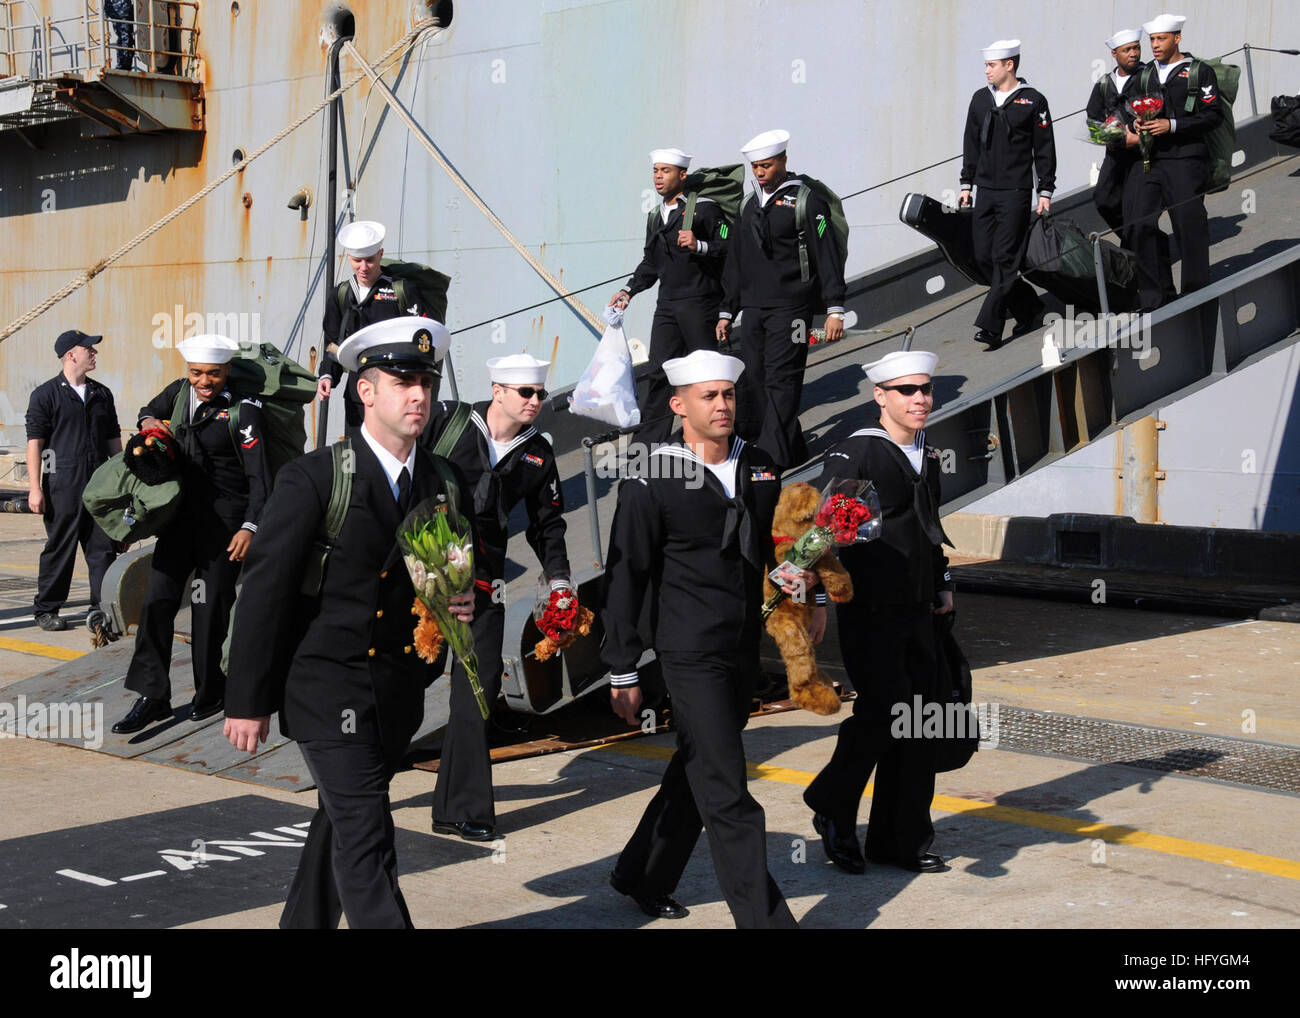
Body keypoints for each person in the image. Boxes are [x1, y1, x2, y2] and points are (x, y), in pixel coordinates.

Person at [224, 316, 476, 930]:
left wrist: (458, 605)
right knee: (367, 837)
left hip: (395, 693)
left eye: (426, 380)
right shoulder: (314, 479)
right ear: (366, 391)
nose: (419, 394)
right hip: (326, 688)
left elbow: (447, 576)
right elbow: (263, 593)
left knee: (340, 822)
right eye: (402, 380)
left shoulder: (442, 482)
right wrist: (246, 700)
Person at [602, 349, 806, 928]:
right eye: (709, 396)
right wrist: (621, 668)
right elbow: (626, 574)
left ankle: (642, 871)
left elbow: (778, 548)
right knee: (728, 789)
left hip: (743, 645)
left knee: (699, 764)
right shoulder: (651, 477)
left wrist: (805, 590)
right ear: (679, 405)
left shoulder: (762, 465)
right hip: (687, 650)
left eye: (729, 395)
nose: (722, 405)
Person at [803, 350, 955, 876]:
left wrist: (942, 584)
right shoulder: (858, 452)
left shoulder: (927, 453)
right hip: (870, 607)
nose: (920, 399)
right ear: (880, 397)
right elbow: (823, 527)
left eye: (925, 389)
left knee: (920, 722)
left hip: (919, 607)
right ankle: (833, 805)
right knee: (883, 713)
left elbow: (930, 526)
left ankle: (901, 839)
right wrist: (814, 596)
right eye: (907, 390)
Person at [419, 352, 571, 843]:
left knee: (479, 688)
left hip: (482, 583)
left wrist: (561, 580)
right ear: (497, 390)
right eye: (525, 393)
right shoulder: (447, 422)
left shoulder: (538, 454)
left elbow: (548, 525)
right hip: (419, 570)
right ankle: (356, 789)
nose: (535, 402)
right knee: (402, 683)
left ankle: (463, 810)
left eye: (541, 395)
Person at [112, 334, 269, 734]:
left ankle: (210, 690)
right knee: (156, 602)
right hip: (180, 521)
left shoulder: (243, 412)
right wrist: (150, 424)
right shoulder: (180, 393)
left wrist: (250, 526)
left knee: (209, 610)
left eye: (213, 374)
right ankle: (153, 696)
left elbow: (260, 478)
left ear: (227, 371)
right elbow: (149, 410)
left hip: (224, 526)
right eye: (197, 372)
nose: (204, 381)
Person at [716, 129, 846, 473]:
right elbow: (736, 261)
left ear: (784, 161)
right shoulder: (748, 205)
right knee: (755, 378)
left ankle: (771, 458)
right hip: (755, 307)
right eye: (756, 166)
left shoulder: (805, 201)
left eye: (767, 165)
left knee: (782, 378)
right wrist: (727, 310)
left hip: (792, 307)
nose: (760, 172)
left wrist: (835, 308)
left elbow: (826, 254)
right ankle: (794, 448)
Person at [609, 148, 730, 445]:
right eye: (656, 171)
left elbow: (730, 248)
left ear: (683, 175)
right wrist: (629, 290)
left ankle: (718, 435)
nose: (659, 177)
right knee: (659, 374)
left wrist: (700, 245)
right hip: (667, 306)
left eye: (666, 171)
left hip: (700, 304)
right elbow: (651, 263)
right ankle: (646, 448)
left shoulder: (705, 209)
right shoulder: (655, 215)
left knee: (706, 373)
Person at [959, 40, 1056, 350]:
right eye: (987, 65)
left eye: (992, 65)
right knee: (984, 256)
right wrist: (966, 184)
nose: (987, 70)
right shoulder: (979, 100)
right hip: (986, 190)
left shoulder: (1033, 101)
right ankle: (1029, 307)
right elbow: (971, 144)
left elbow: (1044, 147)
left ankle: (991, 326)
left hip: (1015, 191)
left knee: (1004, 257)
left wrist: (1045, 189)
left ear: (1009, 65)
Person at [25, 330, 122, 634]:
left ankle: (102, 608)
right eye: (89, 349)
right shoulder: (46, 394)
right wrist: (35, 488)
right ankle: (46, 609)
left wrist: (123, 484)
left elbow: (114, 441)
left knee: (103, 548)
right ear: (71, 354)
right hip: (62, 482)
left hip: (99, 483)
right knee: (60, 547)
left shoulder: (102, 394)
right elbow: (35, 444)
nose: (94, 353)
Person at [1124, 14, 1221, 311]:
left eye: (1161, 39)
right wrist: (1135, 125)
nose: (1154, 45)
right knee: (1139, 224)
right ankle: (1156, 295)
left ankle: (1196, 292)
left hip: (1185, 159)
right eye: (1152, 39)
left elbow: (1212, 115)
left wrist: (1173, 125)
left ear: (1177, 38)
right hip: (1151, 160)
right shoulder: (1144, 76)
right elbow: (1129, 111)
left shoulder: (1198, 72)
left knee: (1188, 225)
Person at [317, 220, 417, 431]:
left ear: (380, 254)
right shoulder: (341, 294)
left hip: (395, 391)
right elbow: (333, 343)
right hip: (357, 392)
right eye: (357, 260)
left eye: (370, 260)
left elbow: (419, 339)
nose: (363, 267)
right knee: (357, 454)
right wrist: (327, 375)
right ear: (348, 258)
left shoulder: (401, 290)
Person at [1088, 29, 1145, 234]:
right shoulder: (1104, 83)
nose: (1133, 53)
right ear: (1114, 53)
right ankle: (1133, 240)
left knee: (1137, 206)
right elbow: (1093, 118)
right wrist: (1112, 135)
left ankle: (1138, 245)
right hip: (1116, 153)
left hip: (1143, 153)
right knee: (1104, 199)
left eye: (1136, 48)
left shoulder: (1148, 76)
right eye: (1127, 50)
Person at [106, 0, 136, 72]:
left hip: (115, 8)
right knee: (125, 37)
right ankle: (124, 64)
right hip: (121, 8)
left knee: (123, 37)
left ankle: (123, 64)